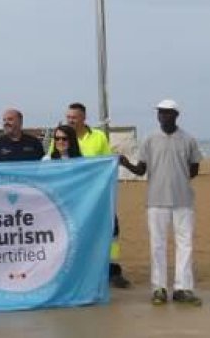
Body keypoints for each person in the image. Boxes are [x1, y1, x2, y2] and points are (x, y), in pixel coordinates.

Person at [119, 100, 204, 307]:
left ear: (176, 115)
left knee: (185, 245)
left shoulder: (188, 139)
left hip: (183, 200)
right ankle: (159, 288)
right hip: (156, 200)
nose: (162, 117)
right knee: (157, 245)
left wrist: (177, 180)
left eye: (167, 113)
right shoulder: (149, 139)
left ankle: (183, 288)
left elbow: (194, 169)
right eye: (160, 113)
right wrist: (126, 163)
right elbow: (141, 170)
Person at [62, 102, 130, 289]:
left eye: (74, 117)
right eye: (68, 117)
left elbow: (106, 163)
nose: (70, 120)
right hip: (72, 195)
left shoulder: (98, 137)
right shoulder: (61, 136)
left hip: (96, 194)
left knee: (111, 230)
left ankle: (113, 269)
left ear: (84, 118)